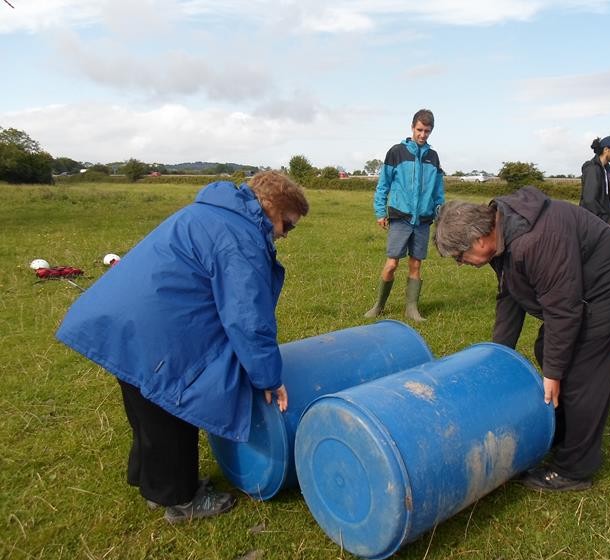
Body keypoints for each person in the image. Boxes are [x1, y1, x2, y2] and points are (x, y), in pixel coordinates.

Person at [55, 171, 309, 523]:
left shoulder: (214, 212)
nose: (283, 234)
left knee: (143, 402)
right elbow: (247, 317)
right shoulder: (240, 236)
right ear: (270, 207)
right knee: (173, 406)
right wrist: (268, 376)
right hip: (152, 327)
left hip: (122, 318)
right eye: (287, 225)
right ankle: (181, 500)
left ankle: (152, 483)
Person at [435, 187, 610, 491]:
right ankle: (560, 431)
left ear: (479, 238)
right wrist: (498, 355)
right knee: (547, 350)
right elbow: (509, 294)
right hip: (579, 292)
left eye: (460, 256)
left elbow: (564, 311)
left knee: (580, 377)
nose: (461, 263)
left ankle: (574, 470)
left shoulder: (534, 241)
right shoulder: (502, 228)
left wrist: (553, 374)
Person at [364, 108, 445, 322]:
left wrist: (441, 214)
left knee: (416, 265)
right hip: (400, 217)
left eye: (427, 131)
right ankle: (379, 305)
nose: (422, 135)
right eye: (419, 130)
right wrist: (380, 211)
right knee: (391, 264)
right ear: (412, 127)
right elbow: (383, 185)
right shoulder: (396, 152)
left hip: (423, 220)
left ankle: (412, 309)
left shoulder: (433, 157)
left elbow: (438, 192)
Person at [579, 135, 610, 226]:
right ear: (606, 150)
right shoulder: (593, 168)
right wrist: (599, 224)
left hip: (602, 225)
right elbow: (590, 200)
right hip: (592, 226)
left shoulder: (605, 170)